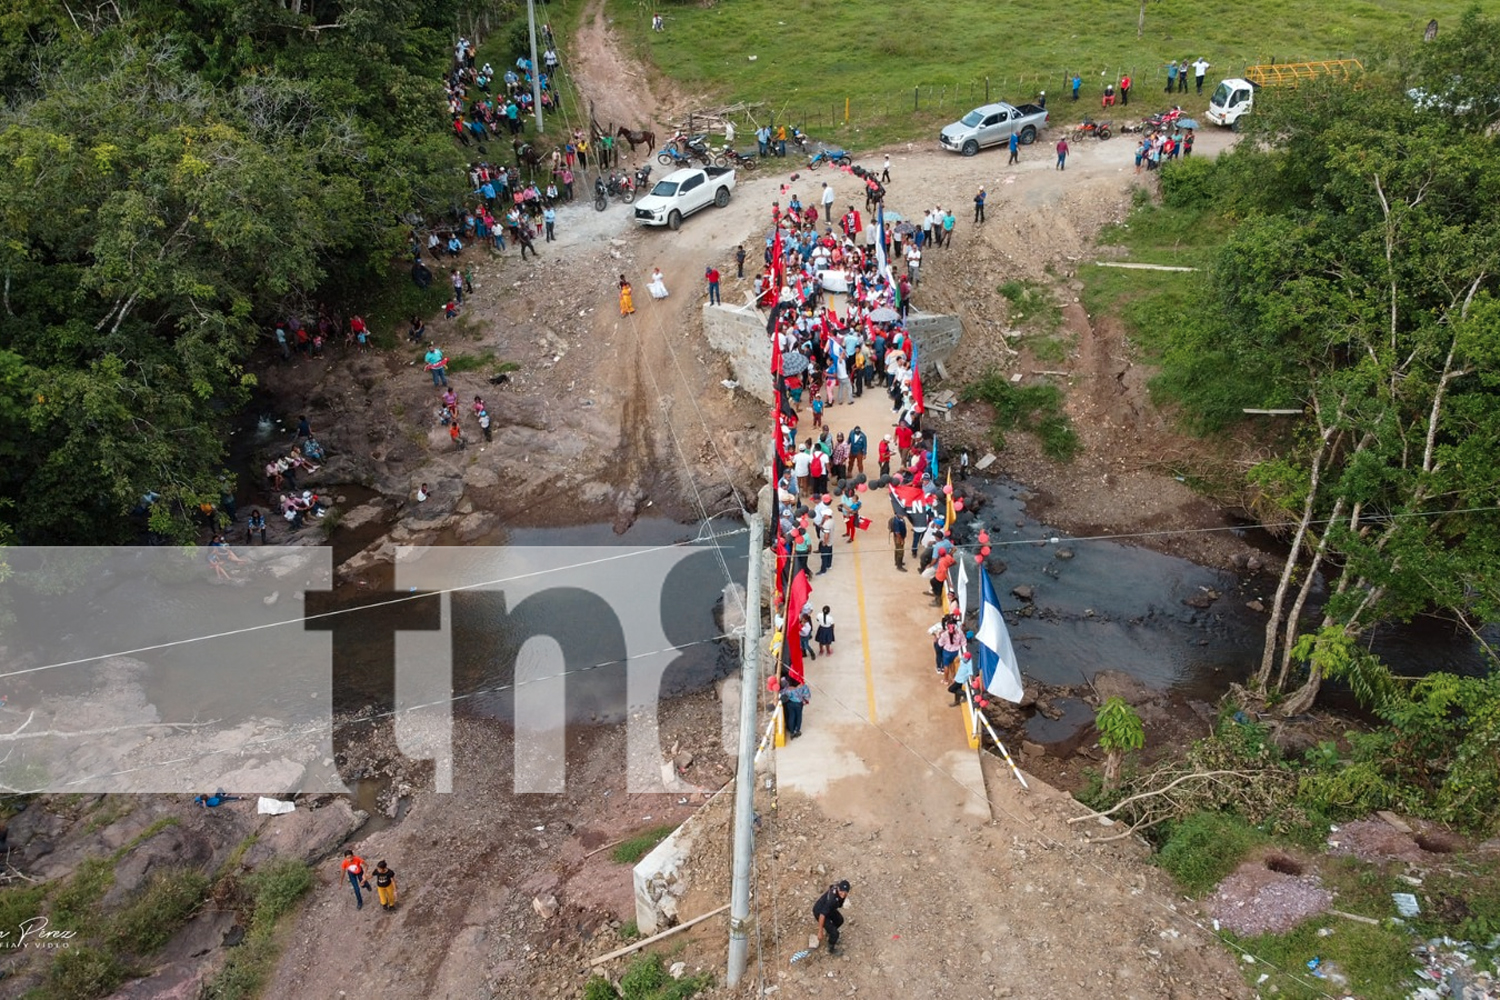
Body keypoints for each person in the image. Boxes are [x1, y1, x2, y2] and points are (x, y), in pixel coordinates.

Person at [813, 880, 850, 955]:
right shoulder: (832, 900)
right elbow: (822, 915)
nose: (843, 894)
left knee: (839, 920)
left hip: (830, 909)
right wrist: (820, 931)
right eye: (841, 891)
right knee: (835, 933)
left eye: (845, 892)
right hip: (819, 912)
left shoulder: (840, 893)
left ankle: (830, 934)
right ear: (838, 889)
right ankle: (831, 948)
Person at [780, 670, 810, 738]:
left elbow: (782, 692)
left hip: (790, 703)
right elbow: (807, 694)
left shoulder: (787, 687)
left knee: (791, 716)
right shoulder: (803, 686)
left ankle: (792, 732)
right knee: (799, 716)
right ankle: (797, 730)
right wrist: (805, 700)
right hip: (799, 703)